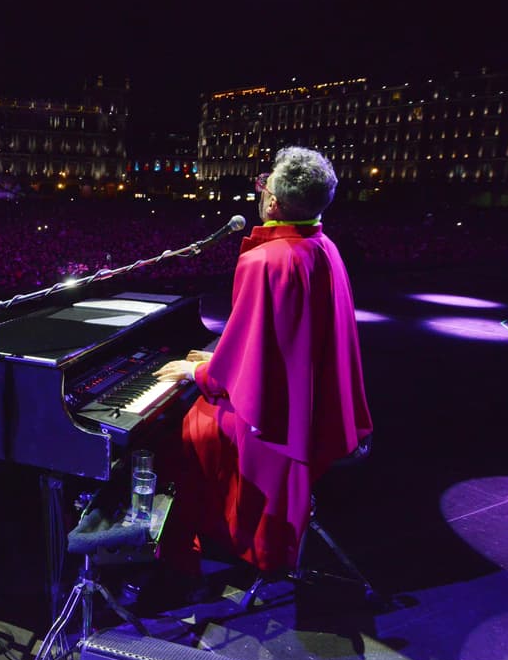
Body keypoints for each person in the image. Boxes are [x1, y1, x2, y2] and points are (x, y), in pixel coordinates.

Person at [153, 146, 373, 575]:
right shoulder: (324, 246)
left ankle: (180, 546)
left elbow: (249, 363)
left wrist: (202, 371)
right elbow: (276, 342)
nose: (261, 188)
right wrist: (221, 356)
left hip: (281, 422)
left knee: (186, 426)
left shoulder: (265, 260)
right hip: (319, 409)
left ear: (273, 202)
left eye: (264, 182)